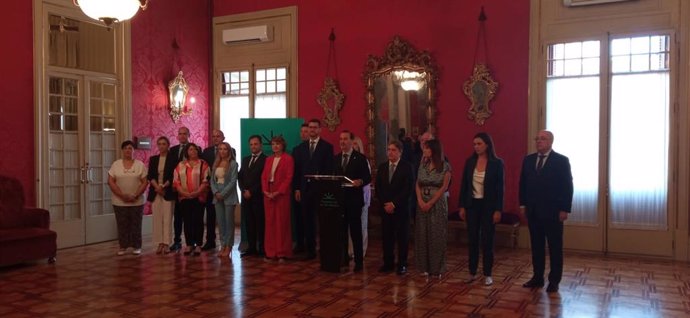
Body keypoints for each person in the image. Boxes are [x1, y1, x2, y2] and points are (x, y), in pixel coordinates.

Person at [519, 130, 573, 293]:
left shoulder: (561, 160)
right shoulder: (528, 160)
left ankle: (554, 280)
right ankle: (537, 278)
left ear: (551, 141)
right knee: (536, 247)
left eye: (543, 139)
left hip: (553, 212)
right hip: (534, 211)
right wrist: (523, 204)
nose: (539, 141)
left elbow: (567, 186)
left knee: (555, 247)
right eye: (537, 139)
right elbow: (523, 183)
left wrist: (565, 208)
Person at [458, 133, 504, 285]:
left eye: (479, 144)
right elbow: (464, 185)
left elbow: (500, 189)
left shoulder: (497, 163)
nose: (476, 147)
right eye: (474, 144)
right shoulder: (470, 162)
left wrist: (498, 209)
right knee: (472, 239)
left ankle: (487, 273)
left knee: (487, 240)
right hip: (472, 205)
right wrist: (462, 206)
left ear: (487, 145)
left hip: (488, 206)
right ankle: (472, 272)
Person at [292, 119, 335, 259]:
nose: (311, 130)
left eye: (315, 128)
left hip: (320, 189)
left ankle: (324, 248)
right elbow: (297, 171)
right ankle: (310, 250)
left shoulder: (327, 147)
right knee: (307, 220)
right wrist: (297, 188)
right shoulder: (300, 149)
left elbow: (329, 169)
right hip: (304, 189)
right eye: (310, 127)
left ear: (319, 130)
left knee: (323, 220)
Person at [334, 130, 371, 272]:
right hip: (340, 201)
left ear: (351, 141)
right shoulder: (336, 158)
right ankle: (343, 259)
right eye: (340, 139)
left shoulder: (360, 158)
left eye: (345, 139)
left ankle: (359, 262)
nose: (342, 142)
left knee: (355, 232)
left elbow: (367, 177)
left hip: (354, 201)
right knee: (341, 232)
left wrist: (360, 181)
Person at [376, 140, 414, 275]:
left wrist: (394, 204)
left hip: (401, 208)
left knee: (402, 238)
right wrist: (385, 204)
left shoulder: (407, 167)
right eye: (389, 150)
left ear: (400, 152)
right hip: (385, 209)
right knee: (387, 237)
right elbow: (378, 188)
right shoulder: (382, 167)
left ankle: (402, 264)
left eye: (393, 150)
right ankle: (388, 263)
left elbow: (408, 189)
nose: (390, 152)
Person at [415, 139, 452, 278]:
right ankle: (423, 267)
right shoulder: (422, 165)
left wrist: (430, 203)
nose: (424, 151)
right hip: (421, 203)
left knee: (436, 235)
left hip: (437, 204)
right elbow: (417, 183)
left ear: (434, 150)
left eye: (427, 148)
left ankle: (437, 268)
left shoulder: (445, 166)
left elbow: (444, 187)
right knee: (422, 235)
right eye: (424, 148)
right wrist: (419, 200)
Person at [108, 140, 148, 256]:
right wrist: (122, 196)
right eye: (125, 148)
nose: (128, 150)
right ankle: (123, 246)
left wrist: (135, 195)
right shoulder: (116, 164)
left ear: (133, 150)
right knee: (122, 224)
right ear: (122, 150)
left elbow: (145, 182)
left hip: (137, 200)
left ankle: (137, 246)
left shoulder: (140, 164)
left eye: (130, 148)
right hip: (119, 201)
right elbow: (110, 181)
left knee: (136, 224)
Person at [173, 143, 210, 256]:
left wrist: (196, 193)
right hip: (184, 198)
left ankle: (198, 245)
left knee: (198, 221)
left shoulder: (203, 164)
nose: (192, 151)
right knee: (187, 221)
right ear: (186, 152)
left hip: (199, 197)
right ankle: (189, 244)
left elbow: (206, 180)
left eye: (194, 149)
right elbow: (176, 181)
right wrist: (184, 193)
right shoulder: (180, 165)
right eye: (190, 150)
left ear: (198, 151)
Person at [262, 136, 294, 263]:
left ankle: (282, 253)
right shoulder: (269, 159)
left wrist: (278, 192)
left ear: (282, 145)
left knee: (282, 223)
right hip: (268, 193)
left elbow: (288, 177)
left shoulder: (288, 159)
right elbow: (264, 176)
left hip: (281, 194)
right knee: (270, 223)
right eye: (273, 144)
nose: (275, 146)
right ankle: (271, 252)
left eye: (278, 144)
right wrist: (265, 191)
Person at [146, 136, 177, 255]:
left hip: (167, 191)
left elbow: (173, 176)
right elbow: (151, 175)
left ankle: (166, 243)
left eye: (164, 144)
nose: (161, 146)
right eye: (159, 144)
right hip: (155, 191)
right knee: (157, 218)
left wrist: (163, 187)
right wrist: (157, 187)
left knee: (167, 218)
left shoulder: (173, 159)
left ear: (168, 145)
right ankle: (159, 243)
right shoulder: (153, 159)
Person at [239, 135, 267, 258]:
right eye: (251, 144)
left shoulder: (266, 160)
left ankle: (262, 249)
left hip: (258, 198)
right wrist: (243, 190)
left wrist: (252, 191)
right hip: (246, 197)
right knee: (249, 223)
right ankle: (251, 248)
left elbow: (263, 180)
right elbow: (240, 177)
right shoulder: (245, 159)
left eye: (255, 144)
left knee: (260, 224)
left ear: (260, 145)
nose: (253, 146)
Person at [210, 141, 239, 259]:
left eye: (225, 149)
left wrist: (223, 193)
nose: (222, 151)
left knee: (229, 223)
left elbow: (233, 181)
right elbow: (212, 180)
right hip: (217, 197)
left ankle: (229, 246)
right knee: (221, 223)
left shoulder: (233, 164)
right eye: (220, 149)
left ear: (229, 151)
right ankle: (222, 245)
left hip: (229, 197)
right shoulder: (216, 163)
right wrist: (216, 192)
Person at [169, 126, 190, 252]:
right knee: (177, 216)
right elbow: (171, 169)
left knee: (190, 217)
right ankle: (177, 241)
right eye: (180, 134)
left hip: (191, 188)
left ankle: (191, 242)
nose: (182, 136)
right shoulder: (173, 150)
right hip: (176, 188)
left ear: (188, 135)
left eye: (184, 134)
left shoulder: (195, 149)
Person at [350, 137, 371, 258]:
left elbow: (367, 179)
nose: (353, 146)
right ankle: (351, 250)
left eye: (355, 144)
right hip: (351, 196)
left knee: (362, 224)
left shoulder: (363, 160)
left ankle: (361, 250)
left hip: (362, 195)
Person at [291, 123, 310, 253]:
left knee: (310, 219)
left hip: (312, 190)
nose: (303, 134)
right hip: (299, 189)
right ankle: (299, 244)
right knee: (298, 218)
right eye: (302, 131)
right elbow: (295, 171)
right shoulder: (297, 149)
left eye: (306, 131)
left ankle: (310, 245)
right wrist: (296, 188)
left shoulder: (317, 149)